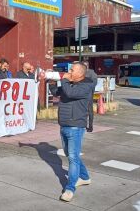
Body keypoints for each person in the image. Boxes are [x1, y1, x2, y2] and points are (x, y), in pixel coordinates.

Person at [48, 62, 94, 202]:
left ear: (80, 73)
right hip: (64, 125)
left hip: (75, 126)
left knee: (72, 157)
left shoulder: (86, 86)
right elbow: (57, 92)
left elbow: (69, 92)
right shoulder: (70, 84)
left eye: (72, 70)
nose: (69, 72)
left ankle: (70, 189)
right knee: (71, 155)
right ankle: (85, 177)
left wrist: (64, 79)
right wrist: (51, 82)